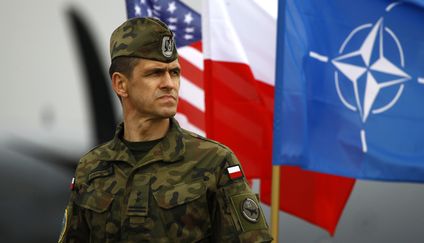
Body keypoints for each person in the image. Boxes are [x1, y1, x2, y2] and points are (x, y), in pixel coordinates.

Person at [58, 17, 273, 243]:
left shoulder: (215, 162)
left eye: (175, 72)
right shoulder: (91, 169)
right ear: (121, 84)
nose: (169, 83)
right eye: (155, 73)